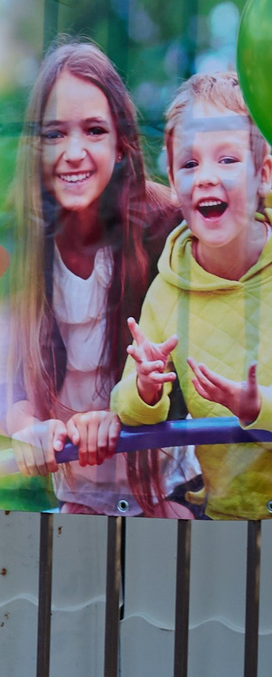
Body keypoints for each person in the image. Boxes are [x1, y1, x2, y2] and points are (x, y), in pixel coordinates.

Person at [1, 42, 192, 516]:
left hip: (165, 486)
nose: (74, 153)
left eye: (93, 130)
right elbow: (16, 388)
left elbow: (193, 370)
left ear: (121, 143)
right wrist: (30, 427)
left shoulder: (164, 225)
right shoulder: (28, 239)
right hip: (80, 492)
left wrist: (122, 416)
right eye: (55, 134)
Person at [107, 71, 272, 521]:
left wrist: (259, 408)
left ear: (263, 174)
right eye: (190, 163)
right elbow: (127, 407)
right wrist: (144, 387)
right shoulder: (169, 286)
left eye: (227, 160)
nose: (206, 178)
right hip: (223, 517)